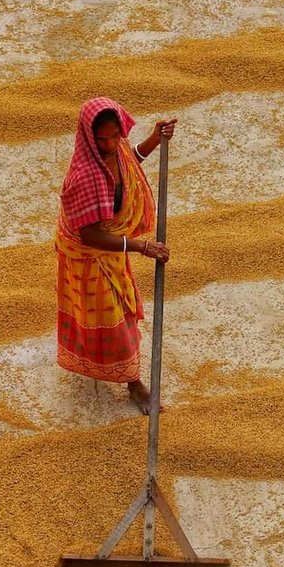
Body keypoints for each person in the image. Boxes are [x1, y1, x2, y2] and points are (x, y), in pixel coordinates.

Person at [54, 96, 177, 413]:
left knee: (119, 311)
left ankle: (128, 376)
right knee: (116, 320)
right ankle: (134, 385)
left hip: (109, 249)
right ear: (88, 137)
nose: (109, 144)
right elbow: (90, 235)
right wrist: (141, 246)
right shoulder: (83, 177)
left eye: (114, 136)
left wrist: (153, 139)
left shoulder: (117, 150)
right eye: (102, 138)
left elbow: (129, 162)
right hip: (90, 254)